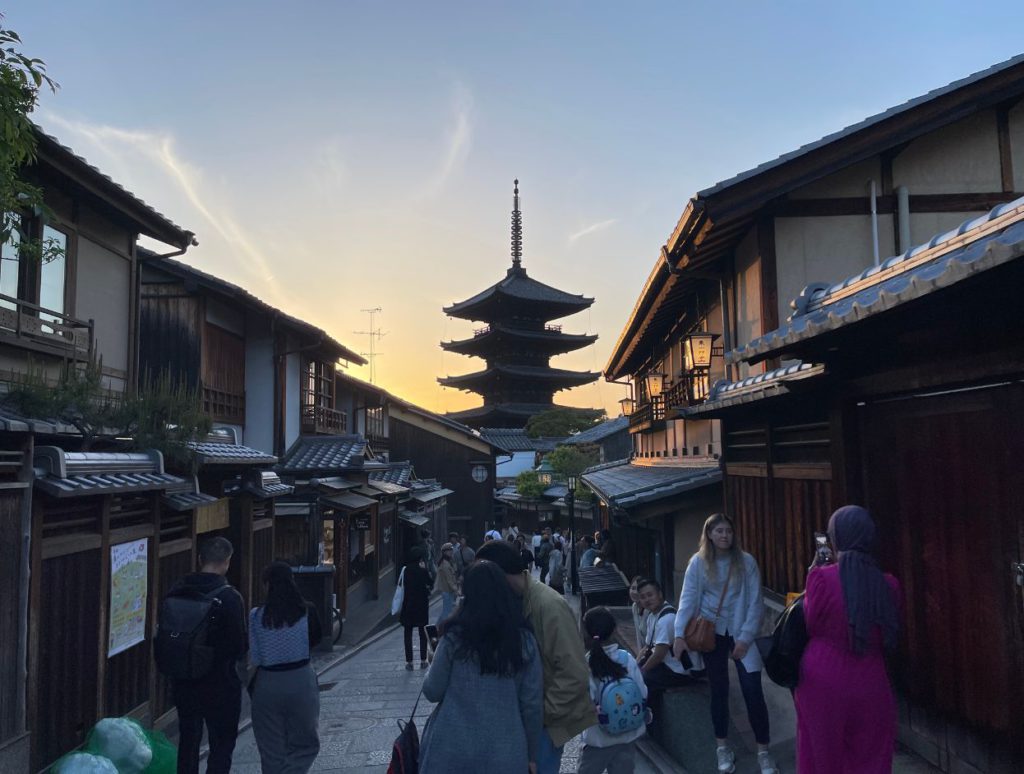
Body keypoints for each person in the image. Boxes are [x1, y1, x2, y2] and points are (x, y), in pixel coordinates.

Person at [795, 506, 901, 774]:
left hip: (823, 676)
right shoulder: (889, 584)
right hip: (872, 677)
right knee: (871, 756)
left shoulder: (821, 578)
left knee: (821, 755)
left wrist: (812, 576)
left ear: (836, 537)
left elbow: (811, 622)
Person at [475, 540, 595, 774]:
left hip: (542, 725)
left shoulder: (549, 605)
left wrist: (540, 716)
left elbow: (574, 673)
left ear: (500, 574)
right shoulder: (511, 601)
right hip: (519, 722)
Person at [673, 514, 777, 774]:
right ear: (709, 534)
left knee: (753, 690)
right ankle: (722, 746)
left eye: (728, 531)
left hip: (741, 629)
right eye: (719, 531)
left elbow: (755, 602)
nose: (724, 536)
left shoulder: (746, 562)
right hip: (712, 632)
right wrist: (677, 634)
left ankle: (764, 751)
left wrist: (745, 638)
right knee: (719, 690)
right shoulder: (698, 563)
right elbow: (688, 599)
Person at [420, 560, 543, 773]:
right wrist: (531, 755)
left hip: (451, 750)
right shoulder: (523, 641)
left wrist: (433, 660)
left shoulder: (455, 637)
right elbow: (532, 704)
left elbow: (433, 690)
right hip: (506, 751)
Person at [168, 537, 247, 774]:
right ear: (227, 562)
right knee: (221, 746)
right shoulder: (230, 597)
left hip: (184, 680)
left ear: (200, 559)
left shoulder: (178, 591)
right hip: (220, 681)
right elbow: (239, 646)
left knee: (188, 741)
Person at [248, 562, 322, 774]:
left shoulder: (256, 615)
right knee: (305, 744)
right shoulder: (306, 610)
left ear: (267, 585)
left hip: (268, 682)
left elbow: (255, 655)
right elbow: (315, 639)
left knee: (270, 748)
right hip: (301, 680)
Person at [579, 606, 647, 774]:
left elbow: (584, 703)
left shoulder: (586, 664)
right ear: (614, 630)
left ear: (586, 632)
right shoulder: (627, 658)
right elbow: (642, 692)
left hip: (598, 739)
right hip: (628, 736)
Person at [636, 578, 700, 694]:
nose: (647, 600)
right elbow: (647, 647)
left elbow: (658, 655)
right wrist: (635, 665)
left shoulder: (667, 619)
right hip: (666, 665)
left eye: (650, 595)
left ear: (660, 594)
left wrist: (640, 671)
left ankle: (649, 711)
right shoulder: (652, 616)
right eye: (643, 597)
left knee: (643, 679)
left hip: (679, 670)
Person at [400, 549, 433, 670]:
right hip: (421, 604)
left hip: (409, 604)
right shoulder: (422, 571)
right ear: (419, 559)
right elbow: (431, 582)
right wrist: (425, 569)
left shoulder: (406, 570)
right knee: (422, 632)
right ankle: (423, 660)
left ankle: (409, 662)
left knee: (407, 633)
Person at [434, 542, 459, 625]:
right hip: (447, 590)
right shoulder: (445, 564)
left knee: (447, 611)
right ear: (444, 552)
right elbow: (449, 580)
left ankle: (438, 627)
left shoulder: (449, 562)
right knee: (447, 612)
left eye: (451, 550)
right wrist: (455, 590)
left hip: (448, 590)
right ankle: (439, 628)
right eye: (449, 550)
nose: (451, 552)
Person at [628, 576, 648, 654]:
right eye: (633, 588)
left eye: (639, 589)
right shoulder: (634, 607)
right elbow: (638, 636)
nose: (635, 592)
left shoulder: (649, 610)